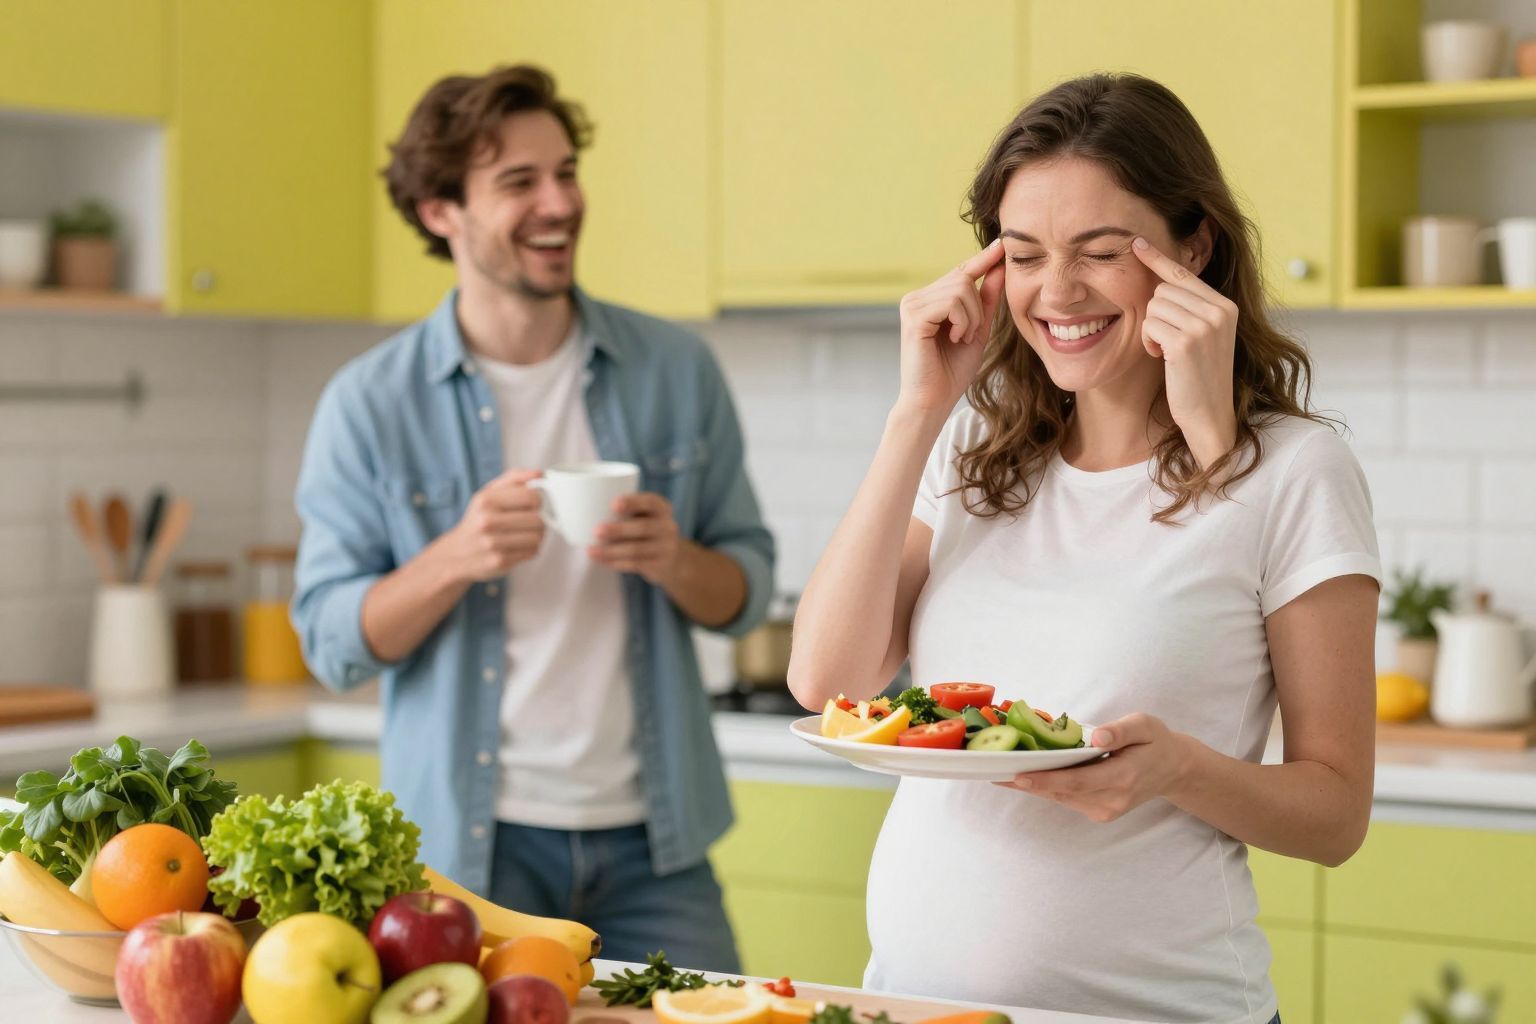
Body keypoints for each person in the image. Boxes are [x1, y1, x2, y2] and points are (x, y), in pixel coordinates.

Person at [788, 73, 1379, 1023]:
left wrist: (1180, 768)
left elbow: (1336, 817)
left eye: (1100, 252)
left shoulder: (1295, 471)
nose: (1056, 292)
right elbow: (826, 679)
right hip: (917, 1004)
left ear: (1194, 246)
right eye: (1023, 255)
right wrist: (917, 411)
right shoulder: (975, 449)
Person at [292, 64, 773, 971]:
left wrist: (674, 559)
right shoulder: (369, 403)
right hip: (473, 850)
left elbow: (744, 593)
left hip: (657, 845)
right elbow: (331, 642)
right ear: (443, 211)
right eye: (519, 182)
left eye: (566, 171)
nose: (559, 202)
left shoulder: (674, 369)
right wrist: (454, 559)